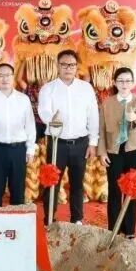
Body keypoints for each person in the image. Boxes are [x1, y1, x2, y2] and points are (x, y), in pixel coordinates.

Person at [37, 49, 99, 224]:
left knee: (77, 183)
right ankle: (49, 219)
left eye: (71, 65)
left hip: (80, 143)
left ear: (76, 66)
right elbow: (43, 111)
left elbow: (93, 115)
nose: (68, 68)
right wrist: (53, 120)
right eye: (64, 64)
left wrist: (93, 142)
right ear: (57, 66)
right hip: (57, 142)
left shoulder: (86, 88)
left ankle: (77, 219)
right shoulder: (48, 88)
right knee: (52, 182)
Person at [97, 67, 136, 238]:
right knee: (114, 190)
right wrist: (102, 152)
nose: (124, 84)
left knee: (131, 191)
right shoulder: (107, 103)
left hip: (134, 150)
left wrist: (135, 118)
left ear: (133, 83)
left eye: (128, 81)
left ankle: (129, 231)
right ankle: (113, 229)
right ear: (114, 82)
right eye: (120, 80)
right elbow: (101, 129)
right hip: (113, 151)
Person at [0, 63, 36, 207]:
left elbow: (30, 125)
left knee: (18, 190)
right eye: (0, 75)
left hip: (18, 150)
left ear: (13, 76)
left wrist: (30, 149)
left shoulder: (23, 99)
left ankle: (16, 220)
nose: (4, 79)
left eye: (7, 75)